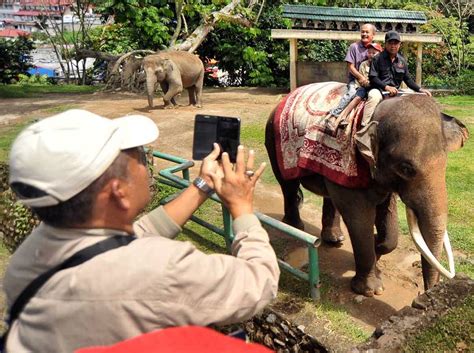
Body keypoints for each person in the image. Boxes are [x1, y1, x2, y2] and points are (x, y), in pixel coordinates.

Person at [3, 109, 280, 352]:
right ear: (118, 191)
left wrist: (202, 185)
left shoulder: (34, 251)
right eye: (139, 157)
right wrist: (241, 207)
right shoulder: (163, 270)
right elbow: (259, 283)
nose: (146, 162)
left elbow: (134, 235)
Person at [361, 30, 432, 125]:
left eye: (396, 43)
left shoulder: (402, 61)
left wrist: (420, 89)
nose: (393, 46)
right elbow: (373, 77)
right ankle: (364, 127)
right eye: (390, 43)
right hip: (379, 90)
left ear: (399, 45)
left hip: (396, 91)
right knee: (373, 97)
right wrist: (386, 87)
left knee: (413, 97)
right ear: (385, 44)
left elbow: (407, 79)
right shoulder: (377, 58)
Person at [329, 23, 376, 118]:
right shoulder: (354, 47)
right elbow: (350, 66)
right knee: (351, 93)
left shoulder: (376, 48)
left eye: (367, 32)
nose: (364, 34)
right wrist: (361, 77)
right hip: (356, 81)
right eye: (363, 32)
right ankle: (335, 113)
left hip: (371, 82)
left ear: (373, 35)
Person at [335, 42, 383, 125]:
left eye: (374, 53)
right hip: (365, 87)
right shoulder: (364, 65)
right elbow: (363, 80)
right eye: (369, 52)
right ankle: (342, 116)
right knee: (356, 97)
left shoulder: (382, 65)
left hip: (377, 88)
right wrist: (369, 83)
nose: (371, 55)